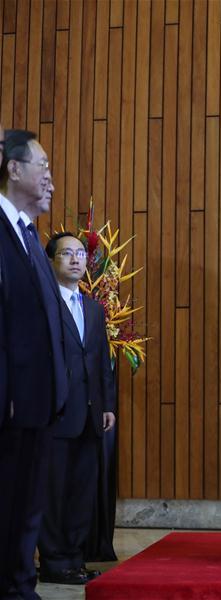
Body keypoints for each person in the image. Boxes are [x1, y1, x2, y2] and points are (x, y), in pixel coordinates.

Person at [0, 129, 68, 599]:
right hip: (7, 400)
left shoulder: (30, 236)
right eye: (41, 164)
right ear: (13, 168)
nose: (48, 174)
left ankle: (20, 585)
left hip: (38, 401)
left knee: (27, 506)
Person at [37, 232, 116, 586]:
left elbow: (100, 362)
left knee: (82, 490)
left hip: (90, 413)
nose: (75, 260)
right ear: (50, 261)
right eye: (66, 254)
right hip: (54, 412)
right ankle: (53, 561)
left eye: (81, 254)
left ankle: (74, 558)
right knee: (53, 491)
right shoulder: (42, 303)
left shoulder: (94, 309)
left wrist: (107, 405)